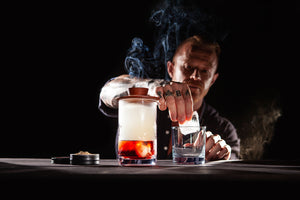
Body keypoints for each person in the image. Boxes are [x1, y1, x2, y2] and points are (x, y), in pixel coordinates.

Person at [99, 35, 240, 160]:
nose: (195, 76)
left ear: (213, 79)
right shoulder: (142, 105)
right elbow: (107, 92)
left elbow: (235, 167)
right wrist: (151, 86)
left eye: (204, 71)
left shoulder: (223, 128)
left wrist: (222, 156)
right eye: (188, 67)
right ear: (171, 69)